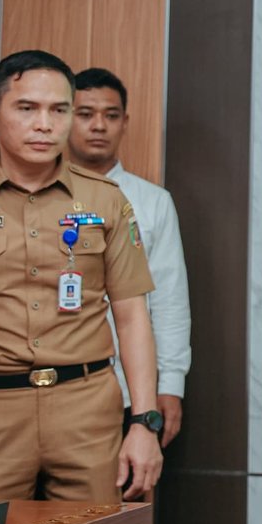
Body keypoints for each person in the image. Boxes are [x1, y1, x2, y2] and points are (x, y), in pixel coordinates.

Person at [0, 50, 165, 502]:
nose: (44, 124)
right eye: (27, 108)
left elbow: (133, 316)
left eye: (59, 110)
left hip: (86, 411)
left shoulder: (106, 200)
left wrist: (144, 422)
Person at [69, 68, 193, 446]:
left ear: (124, 122)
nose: (98, 126)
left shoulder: (152, 201)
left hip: (126, 390)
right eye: (85, 114)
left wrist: (170, 384)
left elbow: (169, 300)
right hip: (44, 386)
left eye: (110, 115)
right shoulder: (37, 197)